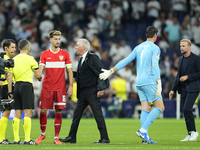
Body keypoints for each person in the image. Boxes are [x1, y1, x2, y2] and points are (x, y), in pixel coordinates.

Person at [99, 26, 165, 144]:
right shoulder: (155, 48)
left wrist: (111, 71)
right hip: (149, 81)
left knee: (146, 108)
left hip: (138, 82)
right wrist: (159, 82)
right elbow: (155, 64)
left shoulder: (138, 47)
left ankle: (145, 138)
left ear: (146, 35)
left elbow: (126, 60)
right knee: (160, 107)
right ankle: (143, 130)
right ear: (155, 35)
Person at [59, 38, 110, 144]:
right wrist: (70, 72)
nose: (75, 47)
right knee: (76, 114)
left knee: (97, 114)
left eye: (77, 45)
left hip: (92, 91)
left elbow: (101, 73)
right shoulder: (81, 59)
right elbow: (83, 75)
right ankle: (72, 137)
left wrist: (101, 88)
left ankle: (104, 138)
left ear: (83, 47)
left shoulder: (93, 57)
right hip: (82, 92)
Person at [35, 30, 73, 145]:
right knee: (43, 110)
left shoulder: (65, 54)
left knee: (58, 111)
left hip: (60, 88)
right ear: (50, 40)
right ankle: (43, 133)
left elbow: (70, 71)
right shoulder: (45, 54)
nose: (58, 41)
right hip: (47, 87)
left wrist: (70, 86)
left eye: (59, 39)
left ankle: (56, 137)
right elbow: (40, 69)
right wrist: (38, 75)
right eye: (55, 39)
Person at [7, 39, 42, 145]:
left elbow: (9, 76)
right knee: (28, 113)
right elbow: (39, 76)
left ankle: (16, 139)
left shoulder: (14, 59)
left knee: (17, 114)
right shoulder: (31, 59)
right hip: (26, 86)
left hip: (16, 86)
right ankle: (27, 139)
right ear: (27, 47)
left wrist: (10, 92)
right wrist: (39, 72)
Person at [169, 39, 200, 142]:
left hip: (193, 88)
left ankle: (194, 132)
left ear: (189, 47)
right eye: (180, 46)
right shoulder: (181, 59)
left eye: (183, 46)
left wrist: (188, 77)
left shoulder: (196, 59)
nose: (181, 47)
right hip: (183, 89)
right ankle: (190, 133)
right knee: (185, 112)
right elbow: (178, 75)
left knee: (187, 109)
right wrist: (173, 89)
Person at [0, 39, 16, 144]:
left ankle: (2, 138)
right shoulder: (5, 61)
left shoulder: (5, 59)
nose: (15, 49)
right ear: (6, 48)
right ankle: (1, 139)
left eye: (15, 47)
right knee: (6, 113)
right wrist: (10, 91)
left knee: (7, 112)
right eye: (12, 47)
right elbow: (8, 76)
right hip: (6, 87)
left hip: (8, 87)